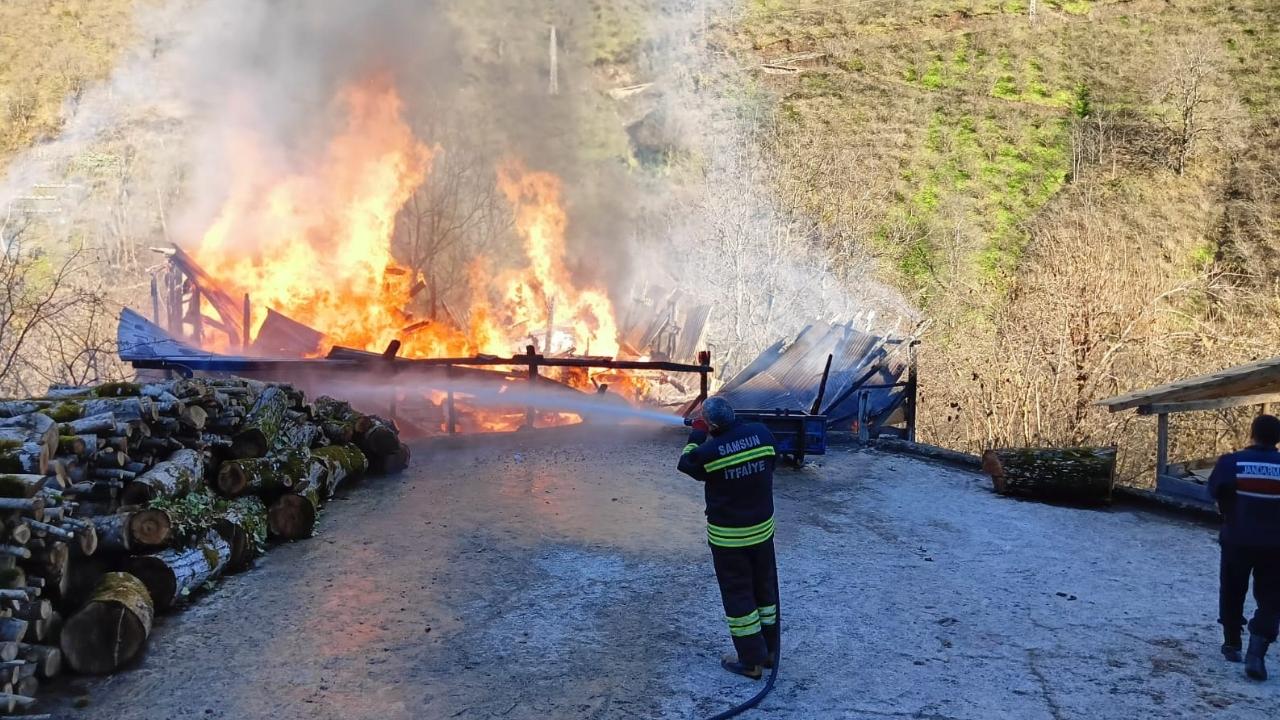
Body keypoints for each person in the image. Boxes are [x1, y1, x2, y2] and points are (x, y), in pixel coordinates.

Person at [677, 397, 779, 679]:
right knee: (765, 592)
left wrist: (697, 434)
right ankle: (770, 652)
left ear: (711, 424)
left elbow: (686, 463)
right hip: (762, 532)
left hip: (729, 540)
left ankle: (751, 662)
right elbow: (772, 464)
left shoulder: (710, 452)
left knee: (739, 598)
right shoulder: (762, 433)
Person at [1208, 414, 1280, 681]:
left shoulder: (1232, 462)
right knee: (1272, 598)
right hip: (1276, 545)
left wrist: (1230, 513)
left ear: (1252, 433)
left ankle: (1231, 643)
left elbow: (1216, 491)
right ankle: (1257, 650)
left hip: (1237, 539)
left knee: (1232, 588)